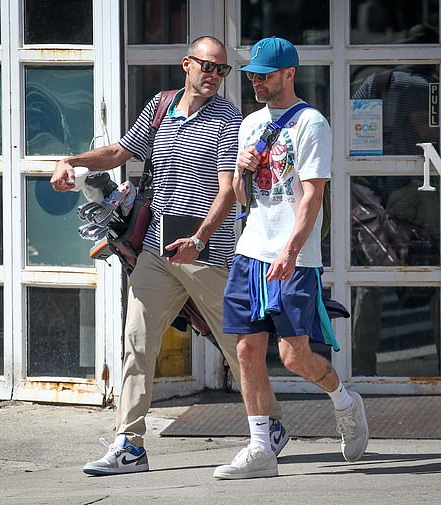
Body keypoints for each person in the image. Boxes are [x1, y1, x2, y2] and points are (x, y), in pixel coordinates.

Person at [50, 36, 287, 476]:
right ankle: (130, 444)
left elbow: (227, 193)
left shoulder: (228, 118)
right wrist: (72, 160)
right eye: (207, 67)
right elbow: (120, 152)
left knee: (237, 347)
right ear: (187, 64)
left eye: (222, 70)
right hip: (156, 253)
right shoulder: (160, 106)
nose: (214, 76)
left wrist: (199, 238)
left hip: (204, 253)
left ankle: (270, 425)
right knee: (137, 343)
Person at [213, 37, 369, 480]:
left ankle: (345, 401)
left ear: (288, 73)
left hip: (293, 256)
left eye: (265, 75)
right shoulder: (249, 124)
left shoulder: (311, 124)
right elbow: (242, 199)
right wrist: (240, 170)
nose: (257, 82)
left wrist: (292, 249)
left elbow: (312, 197)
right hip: (251, 252)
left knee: (295, 356)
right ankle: (261, 448)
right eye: (253, 76)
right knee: (245, 350)